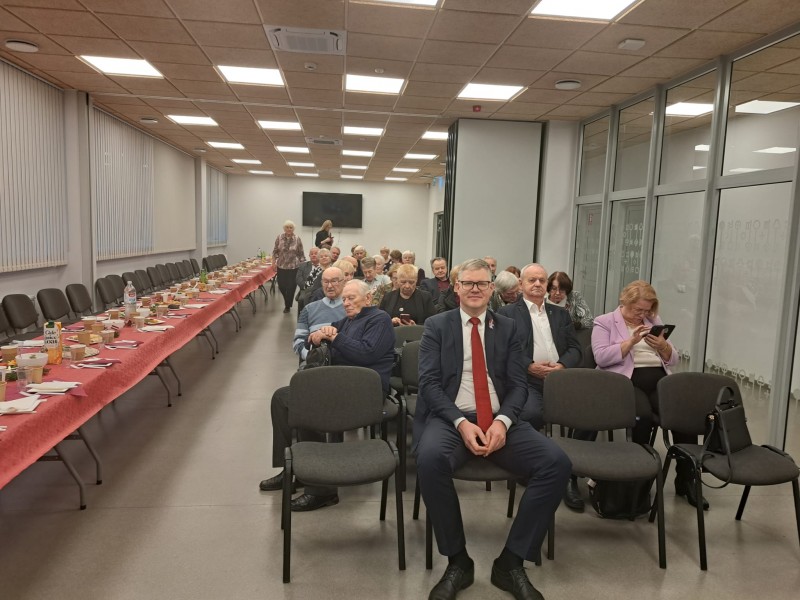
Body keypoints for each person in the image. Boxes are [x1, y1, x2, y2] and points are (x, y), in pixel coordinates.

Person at [415, 258, 571, 600]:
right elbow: (428, 384)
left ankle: (511, 562)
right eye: (468, 283)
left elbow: (518, 384)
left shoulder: (508, 327)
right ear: (457, 288)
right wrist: (460, 423)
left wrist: (503, 422)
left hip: (501, 418)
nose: (475, 289)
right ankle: (458, 561)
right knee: (428, 460)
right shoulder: (437, 326)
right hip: (451, 418)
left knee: (556, 463)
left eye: (482, 283)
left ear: (491, 289)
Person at [261, 279, 395, 511]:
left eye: (351, 298)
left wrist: (335, 337)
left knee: (306, 404)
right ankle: (293, 470)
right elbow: (322, 338)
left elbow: (366, 353)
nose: (346, 303)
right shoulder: (347, 321)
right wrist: (318, 334)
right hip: (340, 386)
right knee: (283, 399)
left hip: (366, 392)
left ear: (368, 299)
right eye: (344, 299)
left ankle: (321, 490)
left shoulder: (379, 319)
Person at [592, 280, 706, 509]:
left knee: (683, 416)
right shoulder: (605, 322)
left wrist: (663, 346)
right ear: (625, 302)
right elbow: (601, 358)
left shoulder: (654, 322)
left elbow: (673, 360)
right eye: (638, 310)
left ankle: (686, 479)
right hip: (625, 382)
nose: (642, 315)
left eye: (647, 310)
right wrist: (631, 342)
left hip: (658, 380)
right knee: (642, 417)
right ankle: (638, 479)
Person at [498, 264, 582, 432]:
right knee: (531, 414)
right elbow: (502, 350)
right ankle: (538, 445)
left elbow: (575, 348)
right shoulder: (506, 314)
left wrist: (562, 365)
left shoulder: (561, 314)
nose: (537, 284)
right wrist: (529, 366)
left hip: (561, 378)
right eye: (532, 280)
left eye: (542, 280)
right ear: (520, 284)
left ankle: (576, 446)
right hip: (528, 380)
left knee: (594, 408)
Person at [272, 220, 306, 313]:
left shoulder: (297, 239)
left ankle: (287, 305)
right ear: (284, 228)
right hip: (281, 266)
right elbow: (275, 251)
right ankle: (287, 300)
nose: (289, 229)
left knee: (291, 287)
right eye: (287, 227)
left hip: (293, 267)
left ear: (293, 229)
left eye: (291, 227)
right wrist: (273, 262)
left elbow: (301, 253)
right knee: (281, 286)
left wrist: (303, 265)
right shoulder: (279, 237)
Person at [295, 247, 321, 311]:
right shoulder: (303, 265)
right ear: (309, 255)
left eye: (316, 253)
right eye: (311, 254)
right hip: (305, 289)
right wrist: (307, 287)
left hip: (319, 290)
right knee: (302, 299)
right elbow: (298, 279)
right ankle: (302, 316)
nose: (313, 255)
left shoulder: (323, 266)